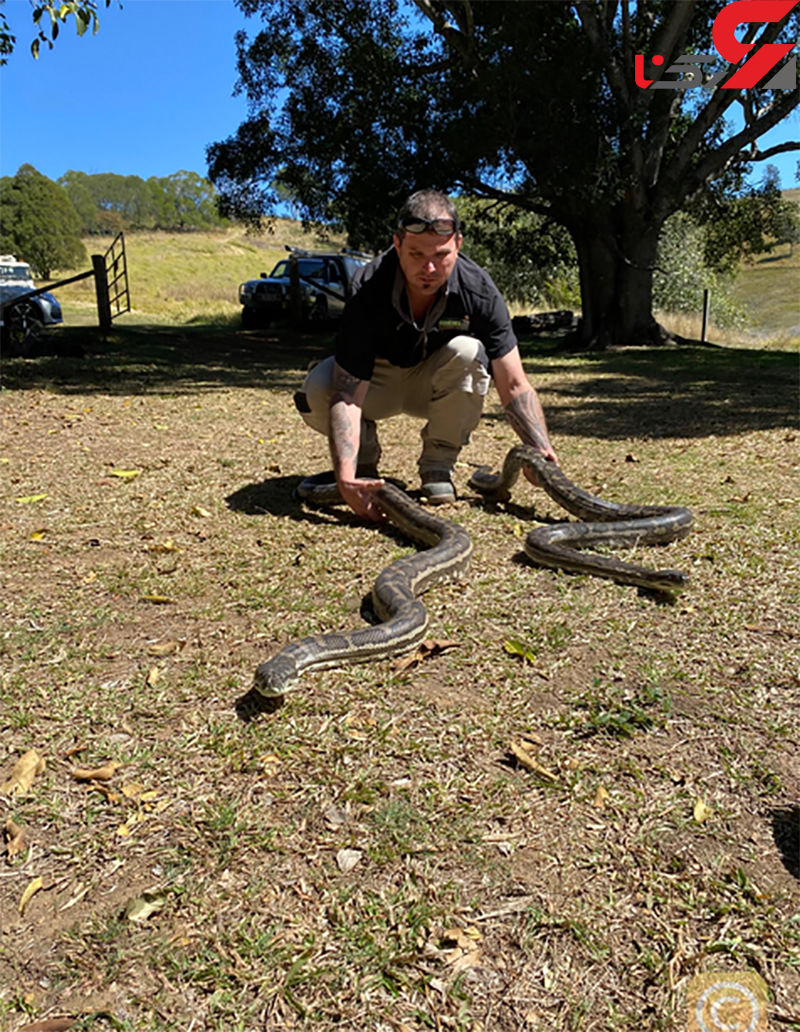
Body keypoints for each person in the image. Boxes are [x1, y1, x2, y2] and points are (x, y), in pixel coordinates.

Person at [295, 189, 557, 520]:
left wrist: (537, 448)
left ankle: (438, 467)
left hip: (434, 386)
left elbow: (515, 384)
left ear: (458, 245)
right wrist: (344, 477)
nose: (429, 267)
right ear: (398, 244)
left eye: (442, 255)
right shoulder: (368, 286)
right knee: (319, 387)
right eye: (416, 254)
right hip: (378, 381)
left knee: (470, 351)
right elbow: (347, 392)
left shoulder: (478, 289)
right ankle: (363, 467)